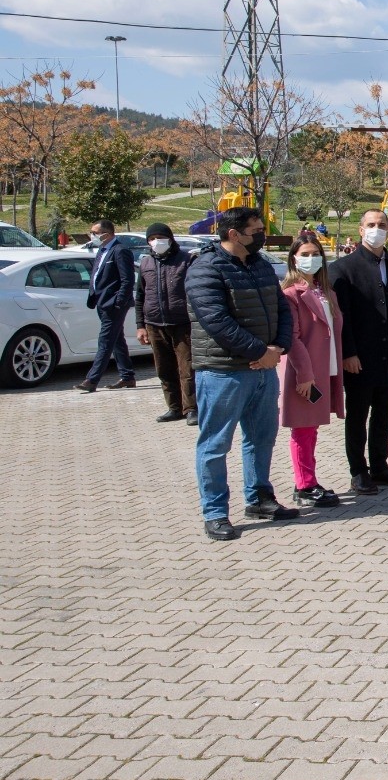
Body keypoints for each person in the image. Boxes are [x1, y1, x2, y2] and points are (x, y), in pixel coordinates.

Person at [186, 206, 296, 540]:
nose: (262, 236)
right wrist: (260, 352)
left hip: (264, 369)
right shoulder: (205, 268)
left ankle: (259, 498)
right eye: (256, 230)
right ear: (234, 234)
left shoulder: (260, 264)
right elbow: (217, 322)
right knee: (215, 444)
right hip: (223, 372)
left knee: (261, 438)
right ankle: (215, 512)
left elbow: (282, 308)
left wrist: (278, 347)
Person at [328, 209, 388, 494]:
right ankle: (358, 471)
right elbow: (341, 316)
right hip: (360, 357)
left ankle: (380, 466)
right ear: (360, 229)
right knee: (358, 416)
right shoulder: (343, 268)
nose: (376, 229)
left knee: (384, 413)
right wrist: (348, 353)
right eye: (371, 224)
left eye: (382, 224)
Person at [278, 234, 345, 509]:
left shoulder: (326, 291)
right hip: (303, 372)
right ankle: (305, 484)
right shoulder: (290, 294)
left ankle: (307, 480)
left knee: (311, 428)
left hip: (324, 368)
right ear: (293, 259)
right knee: (303, 429)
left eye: (315, 253)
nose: (311, 259)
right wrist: (305, 375)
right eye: (305, 254)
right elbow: (292, 338)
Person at [134, 222, 195, 424]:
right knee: (164, 369)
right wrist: (140, 326)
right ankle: (174, 407)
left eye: (160, 238)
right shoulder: (146, 263)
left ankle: (191, 408)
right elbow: (140, 296)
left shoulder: (186, 260)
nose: (156, 242)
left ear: (170, 239)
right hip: (154, 324)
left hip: (182, 323)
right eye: (152, 239)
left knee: (187, 368)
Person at [77, 218, 136, 393]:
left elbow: (127, 280)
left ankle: (91, 380)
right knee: (117, 340)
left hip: (113, 305)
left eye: (95, 233)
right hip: (101, 302)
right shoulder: (102, 250)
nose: (92, 236)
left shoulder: (120, 250)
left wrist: (118, 301)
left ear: (107, 234)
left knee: (105, 341)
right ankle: (127, 376)